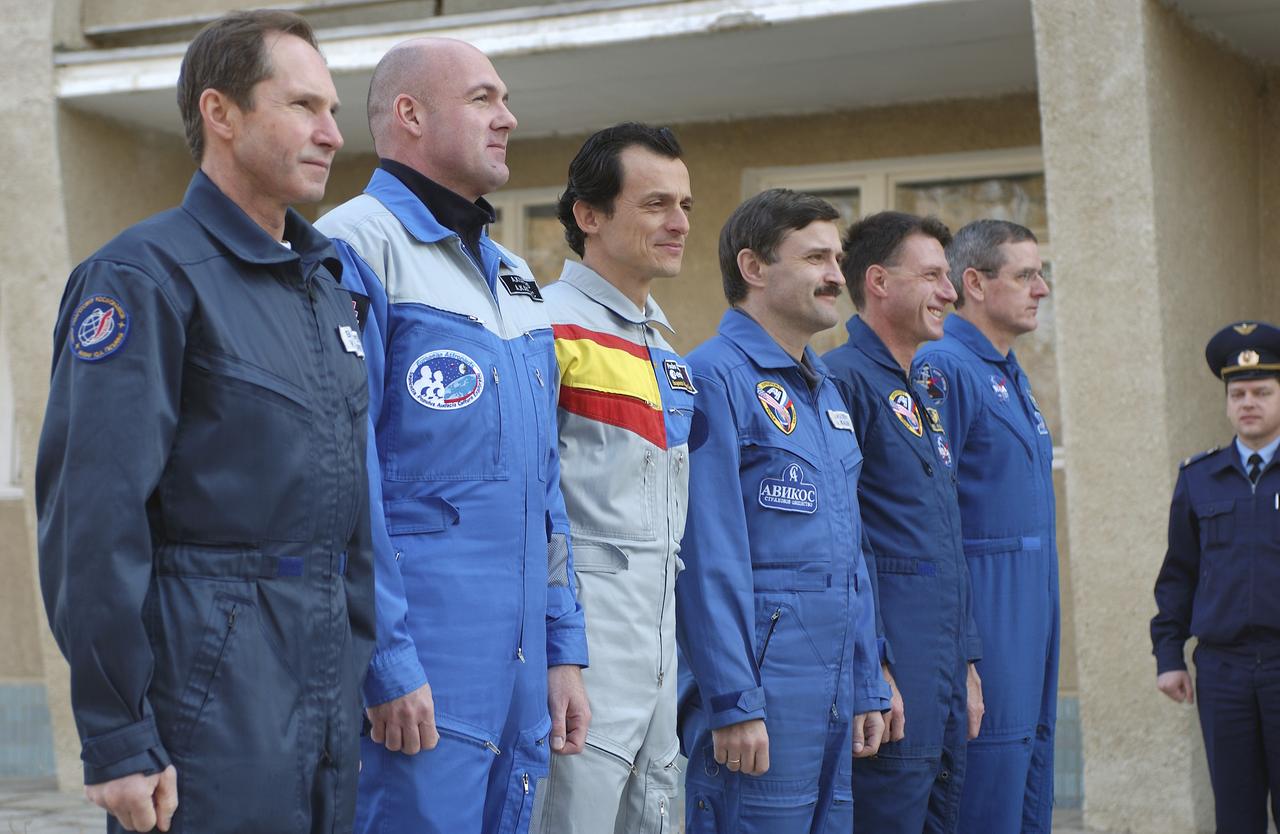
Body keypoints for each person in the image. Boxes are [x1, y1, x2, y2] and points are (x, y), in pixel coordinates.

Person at [36, 11, 372, 833]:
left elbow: (350, 519)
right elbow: (94, 516)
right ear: (220, 113)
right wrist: (117, 734)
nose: (330, 133)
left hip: (326, 686)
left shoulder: (325, 288)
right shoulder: (143, 277)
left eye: (332, 110)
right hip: (209, 699)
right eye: (301, 106)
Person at [314, 37, 589, 834]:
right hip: (420, 673)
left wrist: (562, 646)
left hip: (519, 675)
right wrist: (386, 660)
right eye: (482, 98)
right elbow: (343, 479)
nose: (507, 117)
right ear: (410, 113)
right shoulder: (353, 247)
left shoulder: (514, 277)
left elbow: (546, 489)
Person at [677, 188, 890, 833]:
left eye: (838, 258)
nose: (835, 275)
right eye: (816, 258)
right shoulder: (713, 377)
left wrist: (866, 681)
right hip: (762, 688)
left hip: (830, 684)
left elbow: (850, 554)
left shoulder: (823, 390)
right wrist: (733, 701)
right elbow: (707, 557)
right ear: (754, 268)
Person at [531, 123, 694, 833]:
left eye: (685, 204)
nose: (680, 223)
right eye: (656, 204)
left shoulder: (664, 345)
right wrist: (555, 652)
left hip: (660, 650)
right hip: (583, 654)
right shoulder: (542, 326)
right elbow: (532, 506)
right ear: (588, 216)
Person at [823, 211, 983, 833]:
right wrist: (874, 668)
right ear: (880, 282)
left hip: (939, 670)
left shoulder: (921, 387)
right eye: (934, 276)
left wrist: (966, 663)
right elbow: (846, 540)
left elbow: (942, 536)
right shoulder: (842, 381)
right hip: (893, 672)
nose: (950, 292)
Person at [913, 219, 1058, 834]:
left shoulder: (1008, 371)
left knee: (1028, 782)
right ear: (973, 282)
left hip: (1033, 617)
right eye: (1025, 275)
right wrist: (965, 650)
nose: (1042, 289)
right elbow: (928, 511)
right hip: (988, 623)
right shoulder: (943, 367)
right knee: (986, 790)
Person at [1152, 320, 1280, 833]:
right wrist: (1168, 656)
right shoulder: (1199, 477)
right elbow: (1178, 575)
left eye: (1263, 392)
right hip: (1223, 672)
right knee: (1235, 815)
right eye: (1239, 393)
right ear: (1228, 401)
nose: (1248, 402)